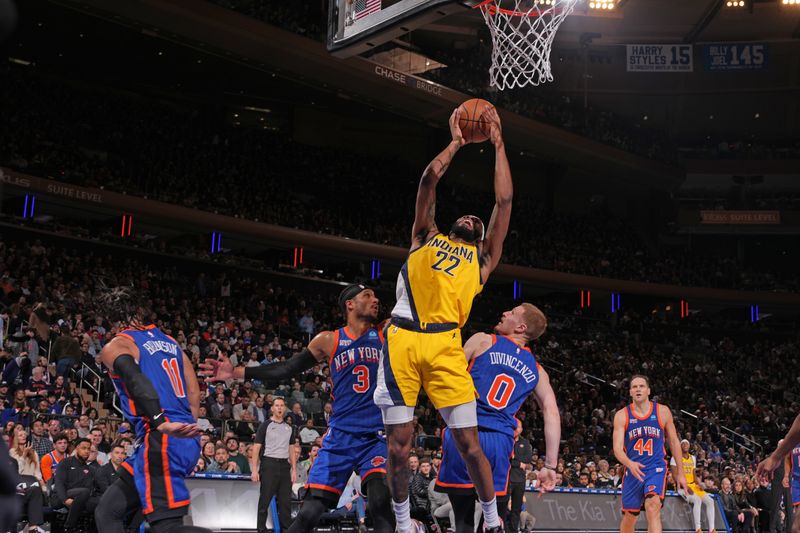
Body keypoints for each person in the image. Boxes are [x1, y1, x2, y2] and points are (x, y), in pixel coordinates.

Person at [373, 105, 512, 533]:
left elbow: (503, 200)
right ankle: (402, 524)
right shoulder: (424, 237)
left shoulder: (483, 259)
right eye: (466, 216)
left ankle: (492, 520)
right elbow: (428, 181)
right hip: (401, 341)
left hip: (447, 345)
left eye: (476, 219)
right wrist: (456, 141)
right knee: (399, 448)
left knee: (470, 444)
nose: (471, 216)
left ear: (482, 235)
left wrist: (498, 143)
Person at [201, 284, 394, 533]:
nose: (375, 299)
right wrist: (236, 372)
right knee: (309, 513)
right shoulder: (329, 339)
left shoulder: (386, 331)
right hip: (341, 436)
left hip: (375, 435)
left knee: (380, 502)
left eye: (376, 296)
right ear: (350, 304)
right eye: (367, 296)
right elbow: (287, 368)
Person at [92, 286, 208, 533]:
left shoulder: (118, 344)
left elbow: (136, 380)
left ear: (112, 319)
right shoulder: (171, 342)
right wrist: (187, 428)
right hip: (180, 435)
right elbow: (194, 390)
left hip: (161, 435)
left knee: (165, 527)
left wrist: (160, 421)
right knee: (107, 510)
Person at [435, 304, 558, 533]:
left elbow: (449, 377)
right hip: (499, 442)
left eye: (511, 313)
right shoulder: (538, 370)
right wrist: (550, 464)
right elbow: (551, 412)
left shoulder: (483, 340)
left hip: (464, 432)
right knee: (494, 521)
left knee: (462, 521)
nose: (504, 313)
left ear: (521, 327)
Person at [613, 375, 688, 533]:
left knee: (652, 506)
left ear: (648, 390)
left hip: (656, 468)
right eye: (634, 387)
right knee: (630, 517)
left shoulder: (662, 411)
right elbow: (617, 449)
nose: (638, 389)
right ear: (630, 392)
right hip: (633, 470)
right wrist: (629, 463)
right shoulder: (622, 415)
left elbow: (674, 442)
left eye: (641, 386)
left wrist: (680, 473)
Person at [251, 397, 298, 533]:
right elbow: (256, 448)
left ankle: (286, 529)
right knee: (264, 499)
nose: (279, 408)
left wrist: (294, 469)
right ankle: (261, 529)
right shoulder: (265, 425)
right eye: (276, 405)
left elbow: (291, 449)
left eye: (282, 405)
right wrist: (254, 470)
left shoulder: (289, 428)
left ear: (284, 408)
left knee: (285, 502)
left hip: (284, 466)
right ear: (272, 408)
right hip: (269, 464)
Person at [53, 438, 99, 532]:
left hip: (80, 499)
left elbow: (90, 488)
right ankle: (68, 527)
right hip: (62, 496)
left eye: (88, 449)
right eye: (83, 448)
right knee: (84, 492)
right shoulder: (65, 462)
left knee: (100, 502)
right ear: (77, 448)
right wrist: (65, 500)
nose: (86, 451)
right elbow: (59, 483)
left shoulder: (89, 469)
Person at [670, 439, 716, 533]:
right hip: (681, 487)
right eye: (683, 444)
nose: (685, 445)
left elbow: (694, 474)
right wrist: (685, 487)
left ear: (689, 446)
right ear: (680, 446)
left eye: (687, 443)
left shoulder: (693, 458)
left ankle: (712, 529)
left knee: (710, 501)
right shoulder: (675, 457)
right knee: (697, 500)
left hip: (693, 485)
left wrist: (700, 484)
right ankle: (698, 529)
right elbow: (675, 476)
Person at [783, 441, 800, 533]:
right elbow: (787, 458)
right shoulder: (793, 440)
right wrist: (786, 475)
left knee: (796, 526)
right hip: (796, 482)